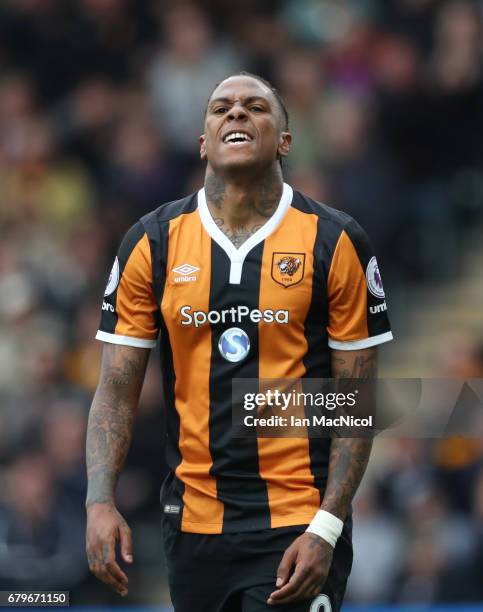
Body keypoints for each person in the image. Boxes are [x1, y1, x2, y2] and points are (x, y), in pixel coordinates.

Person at [85, 72, 393, 612]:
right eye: (221, 108)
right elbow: (115, 388)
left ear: (285, 141)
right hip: (193, 525)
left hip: (296, 526)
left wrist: (326, 528)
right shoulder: (151, 243)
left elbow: (356, 403)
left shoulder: (336, 240)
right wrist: (98, 501)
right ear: (204, 140)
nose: (236, 114)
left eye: (255, 107)